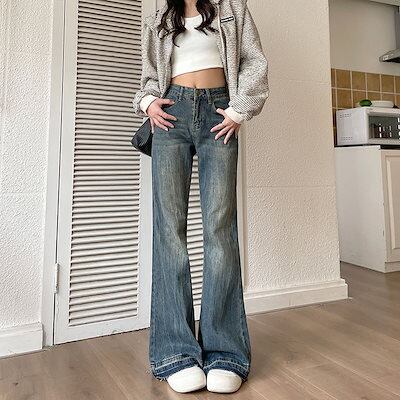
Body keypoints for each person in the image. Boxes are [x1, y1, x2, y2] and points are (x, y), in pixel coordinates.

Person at [132, 0, 269, 394]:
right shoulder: (160, 17)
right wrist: (147, 102)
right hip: (170, 118)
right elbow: (149, 77)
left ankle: (226, 353)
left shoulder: (232, 8)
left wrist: (240, 110)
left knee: (220, 230)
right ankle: (175, 353)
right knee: (169, 233)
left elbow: (254, 62)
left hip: (218, 114)